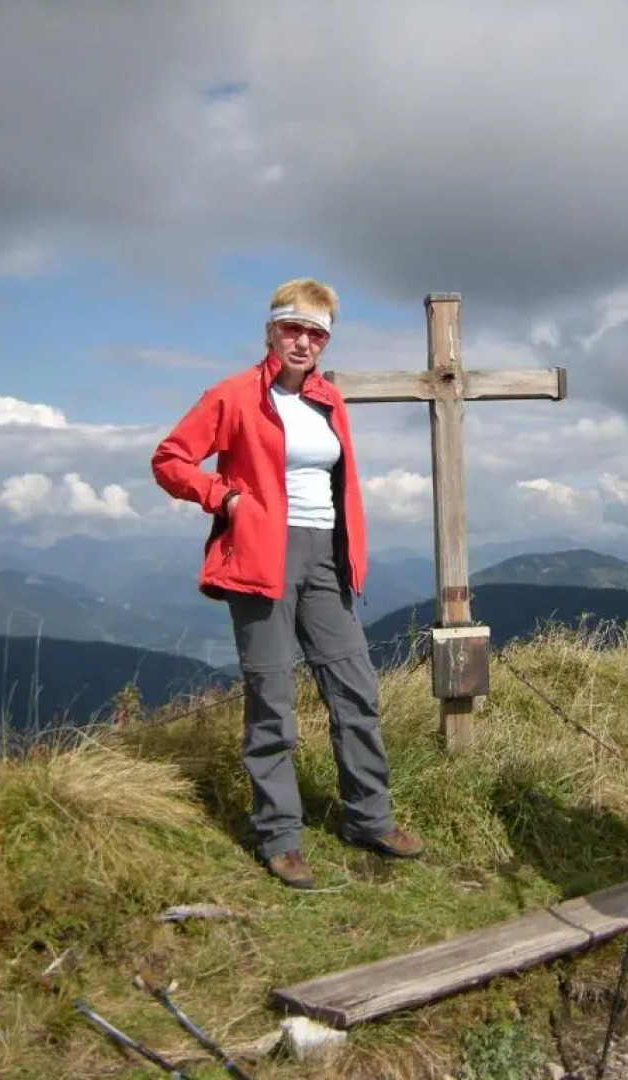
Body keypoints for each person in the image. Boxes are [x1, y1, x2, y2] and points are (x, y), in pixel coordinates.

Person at [150, 277, 424, 890]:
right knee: (271, 700)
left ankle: (369, 818)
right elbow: (170, 459)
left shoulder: (329, 399)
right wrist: (224, 497)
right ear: (271, 330)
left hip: (326, 555)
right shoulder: (233, 395)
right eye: (293, 328)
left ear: (326, 342)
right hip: (259, 558)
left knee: (355, 688)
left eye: (316, 332)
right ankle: (279, 836)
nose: (303, 341)